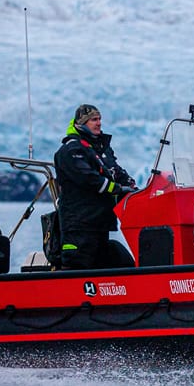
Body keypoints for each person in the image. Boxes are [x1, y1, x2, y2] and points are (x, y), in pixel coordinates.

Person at [53, 104, 137, 269]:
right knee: (79, 266)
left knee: (108, 263)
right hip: (79, 225)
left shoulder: (100, 150)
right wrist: (118, 189)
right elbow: (89, 179)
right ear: (82, 123)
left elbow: (117, 172)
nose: (98, 123)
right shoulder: (71, 150)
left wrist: (134, 188)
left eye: (99, 119)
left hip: (99, 224)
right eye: (93, 120)